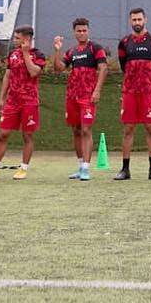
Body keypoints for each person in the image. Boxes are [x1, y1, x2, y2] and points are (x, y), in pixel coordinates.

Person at [0, 26, 46, 180]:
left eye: (17, 38)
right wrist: (2, 98)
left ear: (27, 39)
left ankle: (23, 169)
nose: (14, 40)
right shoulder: (12, 54)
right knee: (3, 134)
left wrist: (25, 54)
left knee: (27, 135)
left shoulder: (38, 54)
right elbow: (7, 76)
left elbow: (34, 72)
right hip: (12, 101)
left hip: (29, 101)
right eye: (15, 37)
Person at [52, 18, 108, 181]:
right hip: (72, 96)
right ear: (74, 32)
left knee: (86, 130)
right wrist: (56, 50)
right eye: (79, 31)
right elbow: (58, 69)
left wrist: (97, 90)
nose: (82, 33)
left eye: (84, 30)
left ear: (88, 31)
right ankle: (80, 165)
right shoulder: (72, 51)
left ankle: (86, 168)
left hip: (88, 97)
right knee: (76, 130)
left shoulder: (95, 48)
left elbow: (103, 69)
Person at [115, 7, 151, 181]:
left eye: (139, 19)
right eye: (134, 20)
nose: (137, 22)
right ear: (130, 21)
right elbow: (123, 66)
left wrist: (150, 81)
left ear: (145, 19)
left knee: (150, 127)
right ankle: (125, 169)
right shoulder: (124, 42)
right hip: (130, 91)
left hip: (148, 91)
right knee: (128, 128)